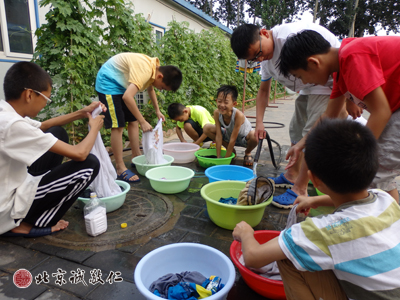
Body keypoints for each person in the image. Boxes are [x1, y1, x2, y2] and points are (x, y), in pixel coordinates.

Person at [233, 119, 400, 300]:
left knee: (288, 255)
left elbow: (252, 257)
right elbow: (361, 196)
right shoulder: (386, 199)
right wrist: (314, 200)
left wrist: (246, 233)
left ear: (315, 180)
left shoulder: (325, 231)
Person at [230, 23, 350, 208]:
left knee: (314, 135)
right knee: (296, 130)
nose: (260, 59)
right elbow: (263, 91)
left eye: (259, 53)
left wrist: (347, 98)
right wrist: (259, 123)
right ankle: (292, 174)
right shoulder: (265, 59)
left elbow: (331, 63)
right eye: (254, 59)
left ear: (264, 33)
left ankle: (299, 189)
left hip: (325, 81)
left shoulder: (289, 38)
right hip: (306, 85)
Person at [278, 30, 400, 203]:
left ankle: (383, 224)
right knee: (380, 176)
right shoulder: (340, 69)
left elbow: (381, 112)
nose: (304, 83)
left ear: (313, 63)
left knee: (370, 172)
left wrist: (359, 154)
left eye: (300, 76)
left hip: (394, 111)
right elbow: (329, 115)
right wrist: (300, 144)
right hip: (394, 109)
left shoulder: (352, 56)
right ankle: (391, 222)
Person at [0, 62, 105, 237]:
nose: (45, 105)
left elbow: (45, 125)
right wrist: (94, 128)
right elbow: (80, 154)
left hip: (10, 185)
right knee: (89, 165)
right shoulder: (12, 125)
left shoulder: (6, 113)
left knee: (57, 133)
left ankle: (29, 210)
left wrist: (82, 112)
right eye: (46, 99)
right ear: (29, 94)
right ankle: (27, 223)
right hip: (6, 206)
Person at [95, 53, 182, 182]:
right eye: (163, 87)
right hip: (108, 83)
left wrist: (157, 110)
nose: (161, 89)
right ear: (160, 76)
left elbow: (150, 89)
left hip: (121, 86)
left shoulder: (154, 68)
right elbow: (127, 97)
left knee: (133, 121)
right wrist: (143, 121)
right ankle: (120, 168)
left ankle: (135, 155)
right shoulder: (145, 71)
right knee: (118, 126)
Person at [203, 85, 258, 166]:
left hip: (243, 138)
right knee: (207, 128)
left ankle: (248, 152)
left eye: (226, 102)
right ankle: (232, 151)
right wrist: (218, 158)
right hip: (228, 136)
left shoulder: (238, 115)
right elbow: (218, 136)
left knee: (255, 135)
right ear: (216, 101)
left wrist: (225, 161)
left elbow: (233, 139)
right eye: (219, 101)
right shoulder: (217, 113)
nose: (222, 105)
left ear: (234, 104)